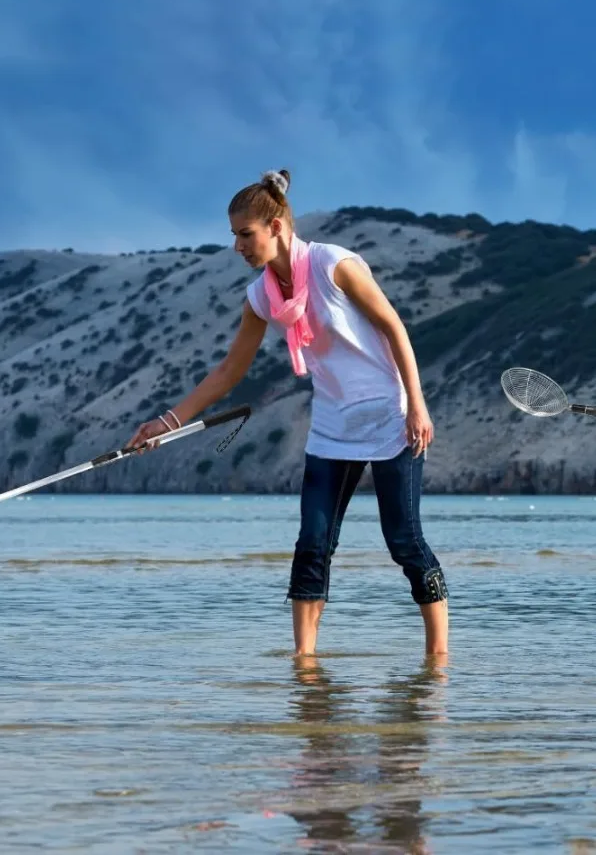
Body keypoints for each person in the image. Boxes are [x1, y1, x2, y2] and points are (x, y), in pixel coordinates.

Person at [127, 169, 449, 656]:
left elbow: (394, 327)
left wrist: (417, 406)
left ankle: (438, 657)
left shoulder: (332, 265)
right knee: (313, 543)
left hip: (390, 416)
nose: (237, 245)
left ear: (276, 226)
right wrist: (167, 423)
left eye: (245, 234)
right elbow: (229, 370)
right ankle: (304, 661)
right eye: (233, 235)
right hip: (332, 427)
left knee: (403, 540)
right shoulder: (260, 296)